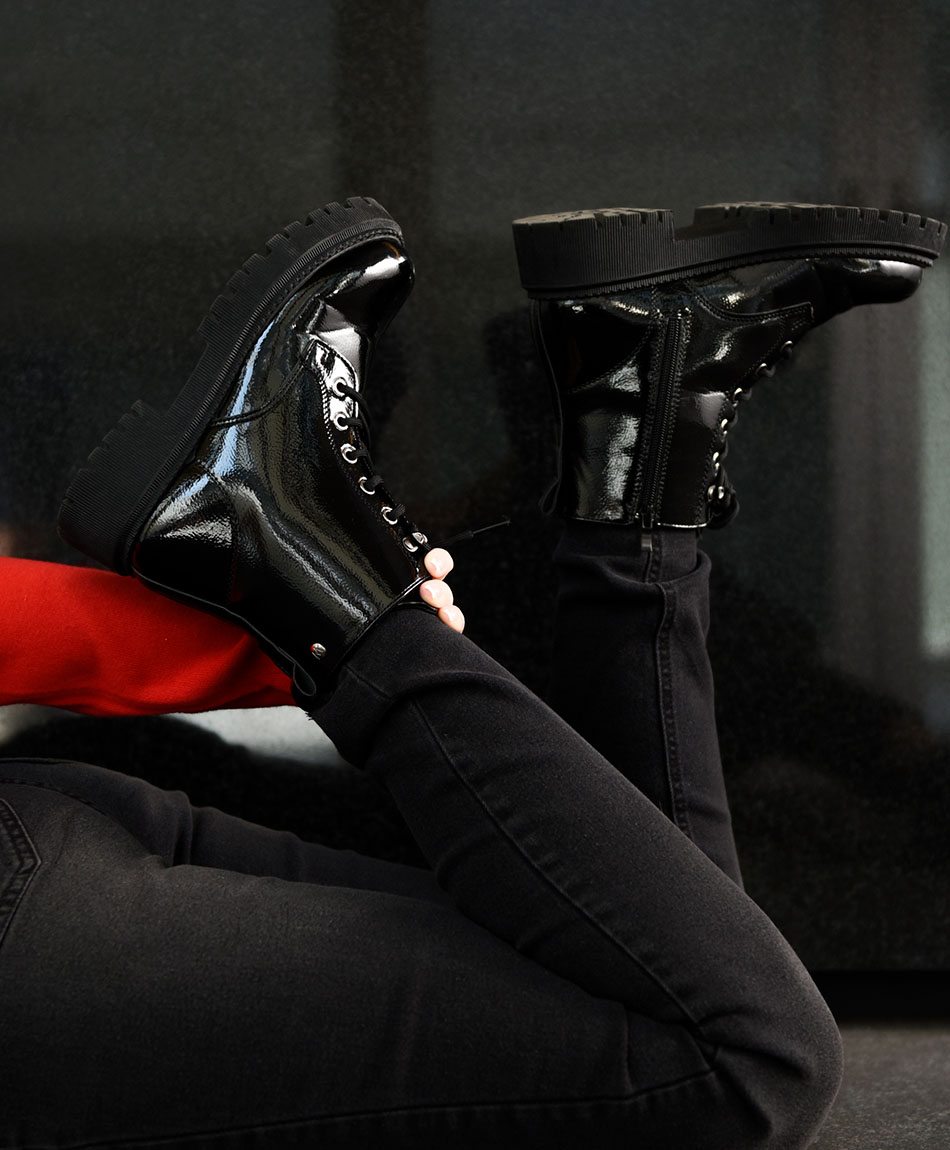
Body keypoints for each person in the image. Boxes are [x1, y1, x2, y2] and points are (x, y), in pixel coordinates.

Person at [1, 197, 944, 1149]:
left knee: (702, 1022)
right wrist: (306, 620)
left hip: (56, 834)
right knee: (712, 1024)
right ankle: (640, 419)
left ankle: (608, 434)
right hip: (61, 823)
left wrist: (300, 618)